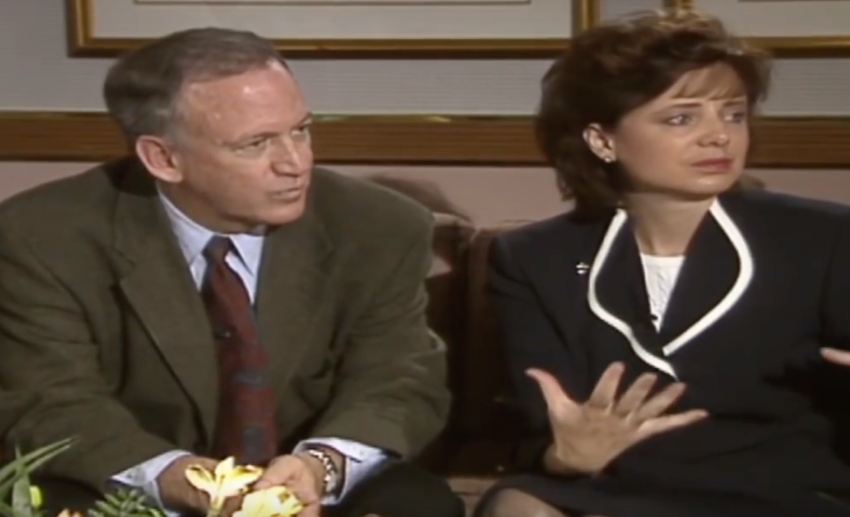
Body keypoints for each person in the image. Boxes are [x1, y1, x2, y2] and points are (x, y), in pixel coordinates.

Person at [0, 27, 464, 517]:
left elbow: (397, 378)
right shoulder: (42, 238)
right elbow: (52, 402)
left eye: (301, 130)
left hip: (309, 478)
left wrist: (321, 466)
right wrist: (186, 482)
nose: (295, 163)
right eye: (256, 144)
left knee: (420, 505)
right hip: (135, 483)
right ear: (164, 158)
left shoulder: (378, 226)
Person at [474, 8, 850, 517]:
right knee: (517, 506)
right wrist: (563, 457)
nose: (718, 136)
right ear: (602, 140)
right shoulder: (535, 259)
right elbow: (540, 427)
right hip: (618, 489)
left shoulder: (823, 237)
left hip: (782, 491)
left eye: (733, 114)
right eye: (681, 118)